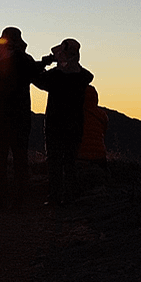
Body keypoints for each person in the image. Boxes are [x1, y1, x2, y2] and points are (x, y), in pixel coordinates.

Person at [0, 27, 47, 209]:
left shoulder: (11, 59)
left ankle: (1, 200)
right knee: (19, 160)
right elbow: (37, 76)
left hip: (2, 117)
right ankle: (19, 200)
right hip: (20, 117)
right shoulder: (25, 59)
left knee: (1, 161)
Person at [34, 38, 94, 206]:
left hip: (55, 124)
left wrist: (45, 62)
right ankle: (70, 197)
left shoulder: (54, 76)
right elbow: (87, 75)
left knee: (54, 161)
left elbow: (36, 78)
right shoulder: (84, 77)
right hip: (75, 125)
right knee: (70, 162)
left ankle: (54, 197)